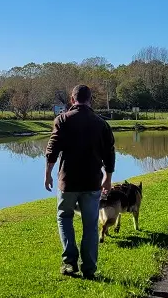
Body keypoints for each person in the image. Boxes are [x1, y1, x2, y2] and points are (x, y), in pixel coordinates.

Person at [44, 84, 116, 279]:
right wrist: (108, 178)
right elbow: (109, 153)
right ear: (90, 99)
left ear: (72, 99)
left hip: (67, 181)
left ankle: (69, 263)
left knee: (64, 217)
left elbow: (52, 148)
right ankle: (89, 268)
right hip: (92, 182)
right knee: (91, 225)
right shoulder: (101, 123)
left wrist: (48, 173)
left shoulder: (62, 120)